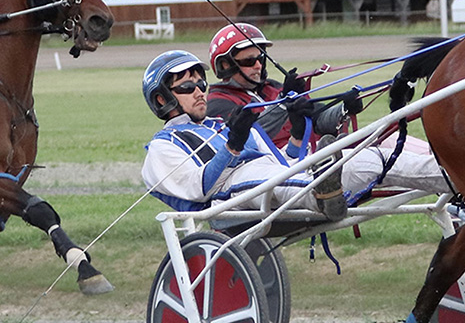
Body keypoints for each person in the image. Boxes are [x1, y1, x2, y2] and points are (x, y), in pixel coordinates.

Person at [205, 23, 450, 201]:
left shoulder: (274, 88)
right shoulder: (218, 103)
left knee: (395, 140)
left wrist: (344, 107)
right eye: (249, 61)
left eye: (261, 59)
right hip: (286, 170)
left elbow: (319, 118)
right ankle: (457, 180)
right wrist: (283, 104)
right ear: (225, 66)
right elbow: (246, 134)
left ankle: (454, 170)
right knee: (380, 156)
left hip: (319, 153)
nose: (258, 65)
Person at [141, 49, 347, 219]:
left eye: (201, 84)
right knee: (264, 177)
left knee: (352, 160)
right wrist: (233, 146)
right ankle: (320, 195)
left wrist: (297, 135)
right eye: (187, 87)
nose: (199, 92)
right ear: (161, 99)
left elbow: (280, 164)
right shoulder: (163, 146)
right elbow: (198, 187)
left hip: (267, 181)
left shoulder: (223, 124)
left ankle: (378, 165)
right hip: (228, 195)